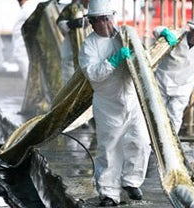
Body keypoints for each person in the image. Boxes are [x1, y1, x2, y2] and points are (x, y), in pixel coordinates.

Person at [78, 0, 151, 206]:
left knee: (141, 142)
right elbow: (93, 73)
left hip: (130, 98)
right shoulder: (89, 45)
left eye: (107, 18)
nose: (105, 23)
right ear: (92, 22)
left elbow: (142, 57)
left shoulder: (124, 36)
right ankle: (109, 193)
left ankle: (131, 181)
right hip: (107, 103)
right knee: (110, 149)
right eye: (99, 20)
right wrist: (113, 60)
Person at [56, 0, 89, 84]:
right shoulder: (73, 8)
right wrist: (71, 24)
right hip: (71, 52)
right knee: (70, 82)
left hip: (89, 53)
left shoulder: (99, 9)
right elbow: (60, 23)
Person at [12, 0, 45, 80]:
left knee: (32, 80)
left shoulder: (29, 9)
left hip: (26, 51)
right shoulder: (26, 9)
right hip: (23, 51)